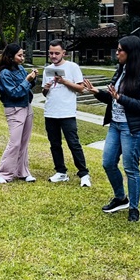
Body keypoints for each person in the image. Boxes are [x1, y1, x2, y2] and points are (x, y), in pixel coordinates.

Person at [81, 36, 140, 222]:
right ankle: (120, 198)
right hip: (116, 124)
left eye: (120, 50)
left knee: (131, 168)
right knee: (108, 162)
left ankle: (134, 209)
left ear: (131, 52)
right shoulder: (121, 70)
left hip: (134, 128)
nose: (116, 53)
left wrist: (120, 97)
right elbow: (112, 97)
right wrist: (98, 92)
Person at [42, 39, 90, 187]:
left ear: (64, 53)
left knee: (73, 143)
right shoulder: (47, 69)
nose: (53, 56)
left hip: (67, 113)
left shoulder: (72, 67)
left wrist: (64, 81)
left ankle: (84, 173)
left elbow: (81, 88)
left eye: (57, 53)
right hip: (50, 112)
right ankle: (61, 172)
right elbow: (44, 93)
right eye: (51, 53)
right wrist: (47, 87)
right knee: (54, 144)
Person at [0, 44, 37, 184]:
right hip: (14, 109)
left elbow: (27, 87)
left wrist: (33, 78)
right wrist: (27, 80)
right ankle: (2, 173)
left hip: (26, 107)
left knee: (24, 142)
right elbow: (14, 93)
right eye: (20, 55)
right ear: (11, 57)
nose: (22, 58)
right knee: (15, 143)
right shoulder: (5, 73)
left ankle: (22, 171)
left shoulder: (21, 68)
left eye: (23, 55)